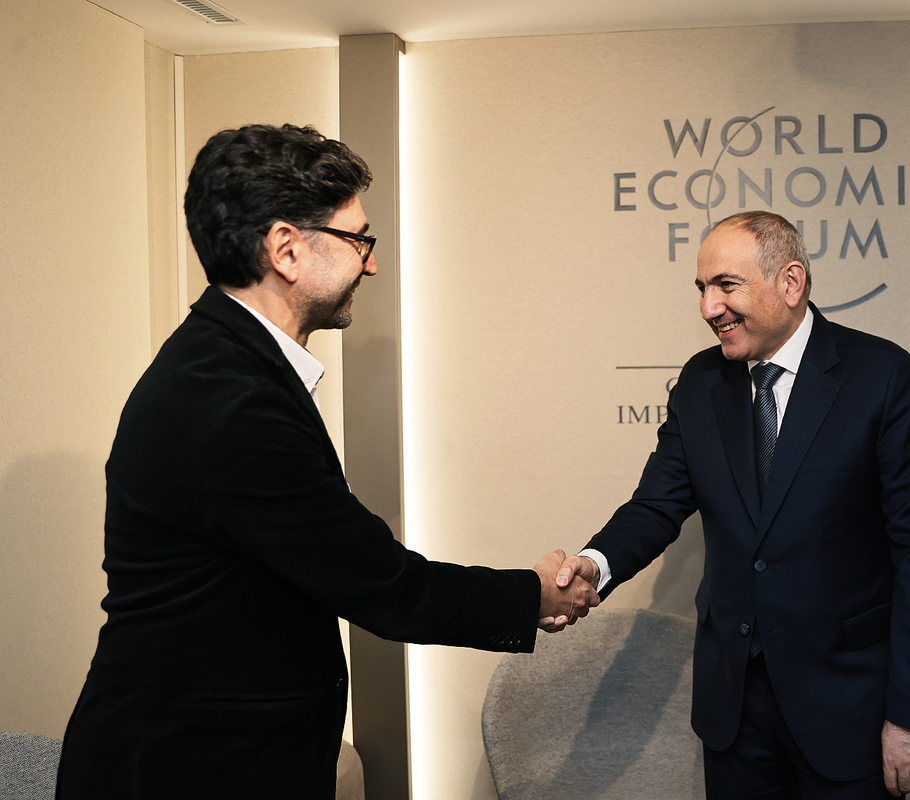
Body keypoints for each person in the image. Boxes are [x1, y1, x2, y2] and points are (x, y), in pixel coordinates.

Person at [55, 123, 597, 799]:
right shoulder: (231, 401)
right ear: (286, 249)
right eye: (358, 241)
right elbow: (382, 585)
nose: (371, 265)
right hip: (186, 769)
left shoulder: (223, 364)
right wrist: (534, 593)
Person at [557, 211, 910, 798]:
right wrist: (596, 565)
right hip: (734, 708)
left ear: (790, 282)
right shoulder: (700, 383)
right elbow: (655, 505)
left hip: (847, 705)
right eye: (702, 289)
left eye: (726, 285)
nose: (708, 308)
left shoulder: (882, 375)